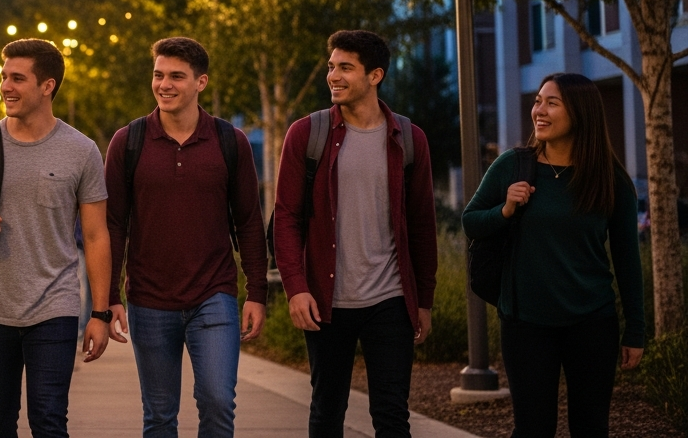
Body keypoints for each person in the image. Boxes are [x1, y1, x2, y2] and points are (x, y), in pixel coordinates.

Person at [0, 38, 111, 438]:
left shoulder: (82, 151)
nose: (5, 87)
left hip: (56, 304)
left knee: (49, 420)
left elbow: (97, 235)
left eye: (17, 78)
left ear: (47, 86)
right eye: (3, 77)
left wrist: (99, 314)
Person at [271, 30, 437, 438]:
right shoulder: (306, 135)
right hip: (327, 301)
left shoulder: (409, 139)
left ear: (375, 75)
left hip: (391, 299)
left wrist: (425, 300)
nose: (334, 76)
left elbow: (421, 224)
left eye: (345, 67)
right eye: (331, 66)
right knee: (327, 411)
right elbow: (286, 218)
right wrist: (296, 288)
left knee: (393, 415)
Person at [463, 73, 644, 437]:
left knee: (591, 427)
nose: (539, 111)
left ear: (580, 114)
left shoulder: (610, 179)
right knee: (532, 429)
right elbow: (470, 221)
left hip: (592, 322)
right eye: (537, 101)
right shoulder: (512, 165)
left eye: (551, 103)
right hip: (525, 322)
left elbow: (627, 259)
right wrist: (505, 210)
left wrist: (636, 331)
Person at [105, 37, 269, 438]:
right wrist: (108, 296)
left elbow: (248, 222)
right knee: (159, 416)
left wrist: (258, 293)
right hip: (148, 299)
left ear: (201, 82)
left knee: (217, 401)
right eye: (159, 75)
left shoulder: (231, 142)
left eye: (177, 76)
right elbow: (113, 225)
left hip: (213, 296)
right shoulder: (128, 142)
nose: (164, 84)